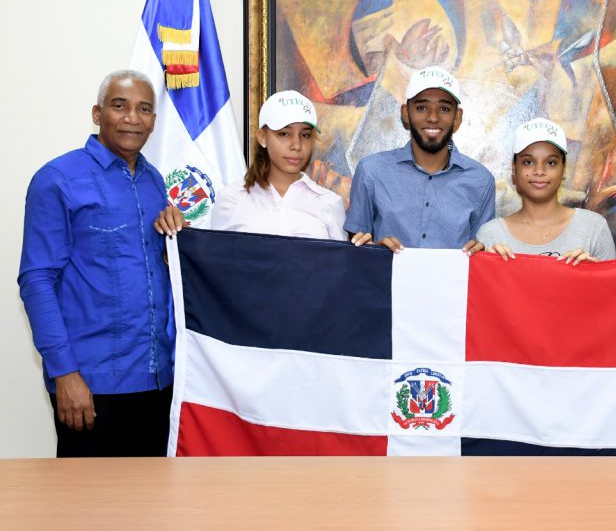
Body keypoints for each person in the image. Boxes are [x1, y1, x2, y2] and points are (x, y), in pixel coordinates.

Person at [18, 70, 173, 457]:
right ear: (97, 113)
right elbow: (37, 282)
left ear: (154, 120)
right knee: (85, 497)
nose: (132, 118)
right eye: (120, 106)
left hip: (157, 382)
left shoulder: (155, 182)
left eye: (144, 109)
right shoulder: (57, 179)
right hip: (90, 384)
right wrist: (64, 373)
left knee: (152, 496)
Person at [156, 90, 370, 243]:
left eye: (305, 135)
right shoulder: (231, 199)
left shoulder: (330, 203)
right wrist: (179, 236)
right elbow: (216, 269)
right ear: (262, 137)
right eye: (284, 134)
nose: (296, 145)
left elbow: (340, 273)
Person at [344, 66, 495, 253]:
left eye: (444, 109)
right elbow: (354, 251)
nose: (433, 117)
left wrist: (483, 253)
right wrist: (376, 252)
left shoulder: (481, 181)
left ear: (457, 117)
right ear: (406, 113)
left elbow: (482, 257)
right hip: (384, 274)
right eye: (422, 108)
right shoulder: (371, 171)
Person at [477, 117, 615, 264]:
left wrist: (594, 273)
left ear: (563, 170)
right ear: (514, 169)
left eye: (550, 163)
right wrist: (487, 266)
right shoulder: (490, 235)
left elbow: (613, 280)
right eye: (528, 162)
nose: (539, 171)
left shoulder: (594, 228)